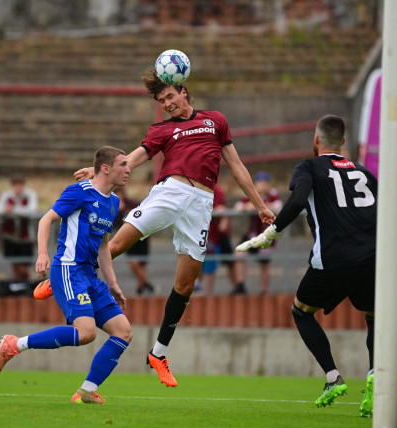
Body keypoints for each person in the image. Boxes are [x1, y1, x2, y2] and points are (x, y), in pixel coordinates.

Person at [73, 69, 275, 387]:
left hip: (201, 204)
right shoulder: (163, 130)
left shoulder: (215, 121)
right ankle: (66, 278)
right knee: (114, 246)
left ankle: (158, 353)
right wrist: (100, 172)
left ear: (183, 91)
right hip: (171, 192)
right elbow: (135, 157)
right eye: (161, 100)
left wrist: (260, 205)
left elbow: (236, 166)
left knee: (185, 285)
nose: (167, 103)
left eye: (169, 96)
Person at [237, 115, 377, 417]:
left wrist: (269, 234)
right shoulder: (366, 174)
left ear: (316, 141)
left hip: (332, 259)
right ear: (342, 142)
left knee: (301, 311)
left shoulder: (309, 166)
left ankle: (332, 377)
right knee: (374, 317)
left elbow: (299, 199)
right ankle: (375, 374)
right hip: (371, 258)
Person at [0, 146, 132, 405]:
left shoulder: (113, 203)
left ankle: (87, 391)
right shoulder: (79, 192)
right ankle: (14, 344)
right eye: (123, 164)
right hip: (68, 268)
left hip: (90, 275)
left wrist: (112, 283)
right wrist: (42, 254)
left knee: (123, 331)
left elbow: (103, 245)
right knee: (85, 332)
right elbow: (46, 220)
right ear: (105, 168)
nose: (128, 169)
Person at [233, 171, 283, 295]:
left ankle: (263, 291)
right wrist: (249, 206)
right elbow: (238, 206)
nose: (262, 185)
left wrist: (261, 206)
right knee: (238, 253)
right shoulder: (253, 194)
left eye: (264, 182)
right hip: (252, 234)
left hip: (267, 235)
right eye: (259, 182)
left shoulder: (273, 194)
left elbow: (279, 206)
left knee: (264, 263)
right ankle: (240, 285)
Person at [0, 175, 38, 281]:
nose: (18, 188)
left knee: (24, 267)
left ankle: (28, 286)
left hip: (26, 238)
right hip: (10, 237)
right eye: (16, 185)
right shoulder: (6, 195)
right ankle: (18, 290)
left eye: (20, 185)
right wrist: (5, 211)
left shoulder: (30, 195)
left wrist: (12, 210)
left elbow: (32, 210)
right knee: (15, 265)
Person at [113, 188, 154, 296]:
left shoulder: (132, 203)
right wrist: (119, 211)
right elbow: (114, 225)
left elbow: (144, 212)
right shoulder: (112, 208)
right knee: (133, 262)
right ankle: (147, 284)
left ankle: (141, 287)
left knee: (141, 263)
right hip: (127, 238)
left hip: (142, 236)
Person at [199, 184, 238, 296]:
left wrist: (222, 215)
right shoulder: (196, 189)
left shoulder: (217, 190)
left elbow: (222, 209)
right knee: (199, 262)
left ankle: (237, 286)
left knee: (228, 261)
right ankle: (198, 288)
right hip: (204, 233)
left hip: (217, 234)